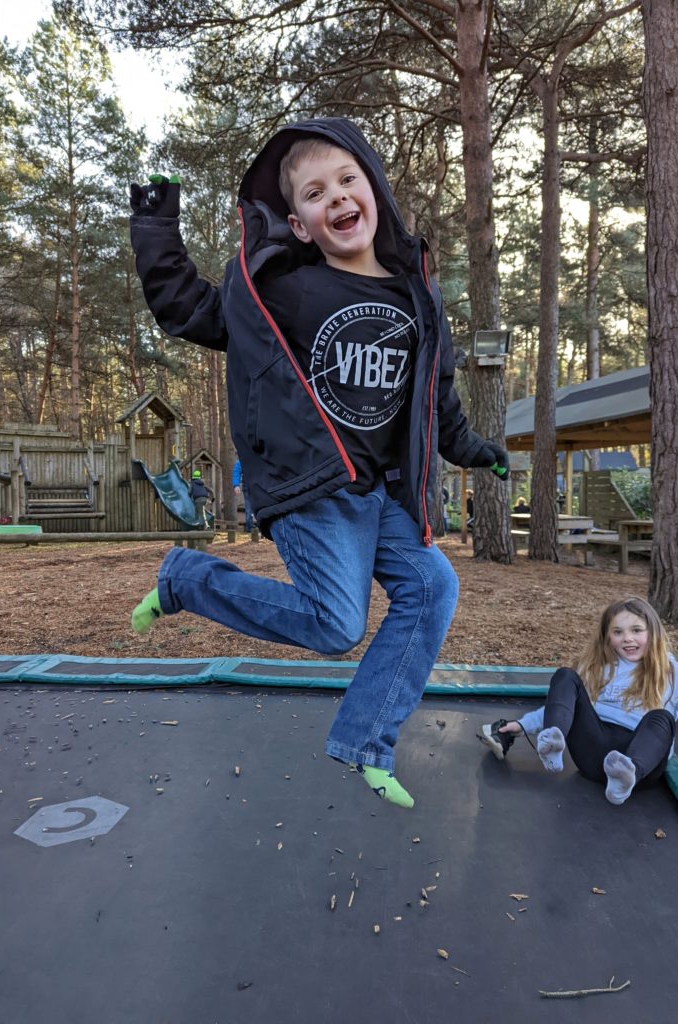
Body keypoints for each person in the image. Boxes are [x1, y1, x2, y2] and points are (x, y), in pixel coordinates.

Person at [128, 117, 509, 809]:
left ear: (373, 191)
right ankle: (188, 579)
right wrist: (157, 229)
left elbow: (435, 399)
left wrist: (474, 449)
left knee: (432, 589)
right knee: (337, 626)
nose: (334, 197)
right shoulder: (290, 292)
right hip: (310, 490)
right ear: (300, 224)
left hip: (381, 496)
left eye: (346, 181)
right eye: (313, 192)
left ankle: (367, 740)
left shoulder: (417, 298)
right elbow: (190, 310)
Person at [480, 596, 678, 804]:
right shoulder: (597, 667)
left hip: (639, 761)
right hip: (593, 753)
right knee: (566, 676)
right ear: (607, 636)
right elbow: (566, 705)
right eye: (618, 632)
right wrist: (522, 725)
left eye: (637, 630)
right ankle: (553, 740)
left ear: (653, 632)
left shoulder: (673, 673)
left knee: (662, 717)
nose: (628, 638)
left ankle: (625, 776)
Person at [233, 458, 254, 532]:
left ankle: (251, 526)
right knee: (248, 508)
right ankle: (250, 527)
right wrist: (236, 485)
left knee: (252, 508)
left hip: (258, 486)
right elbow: (237, 471)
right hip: (249, 486)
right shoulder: (242, 457)